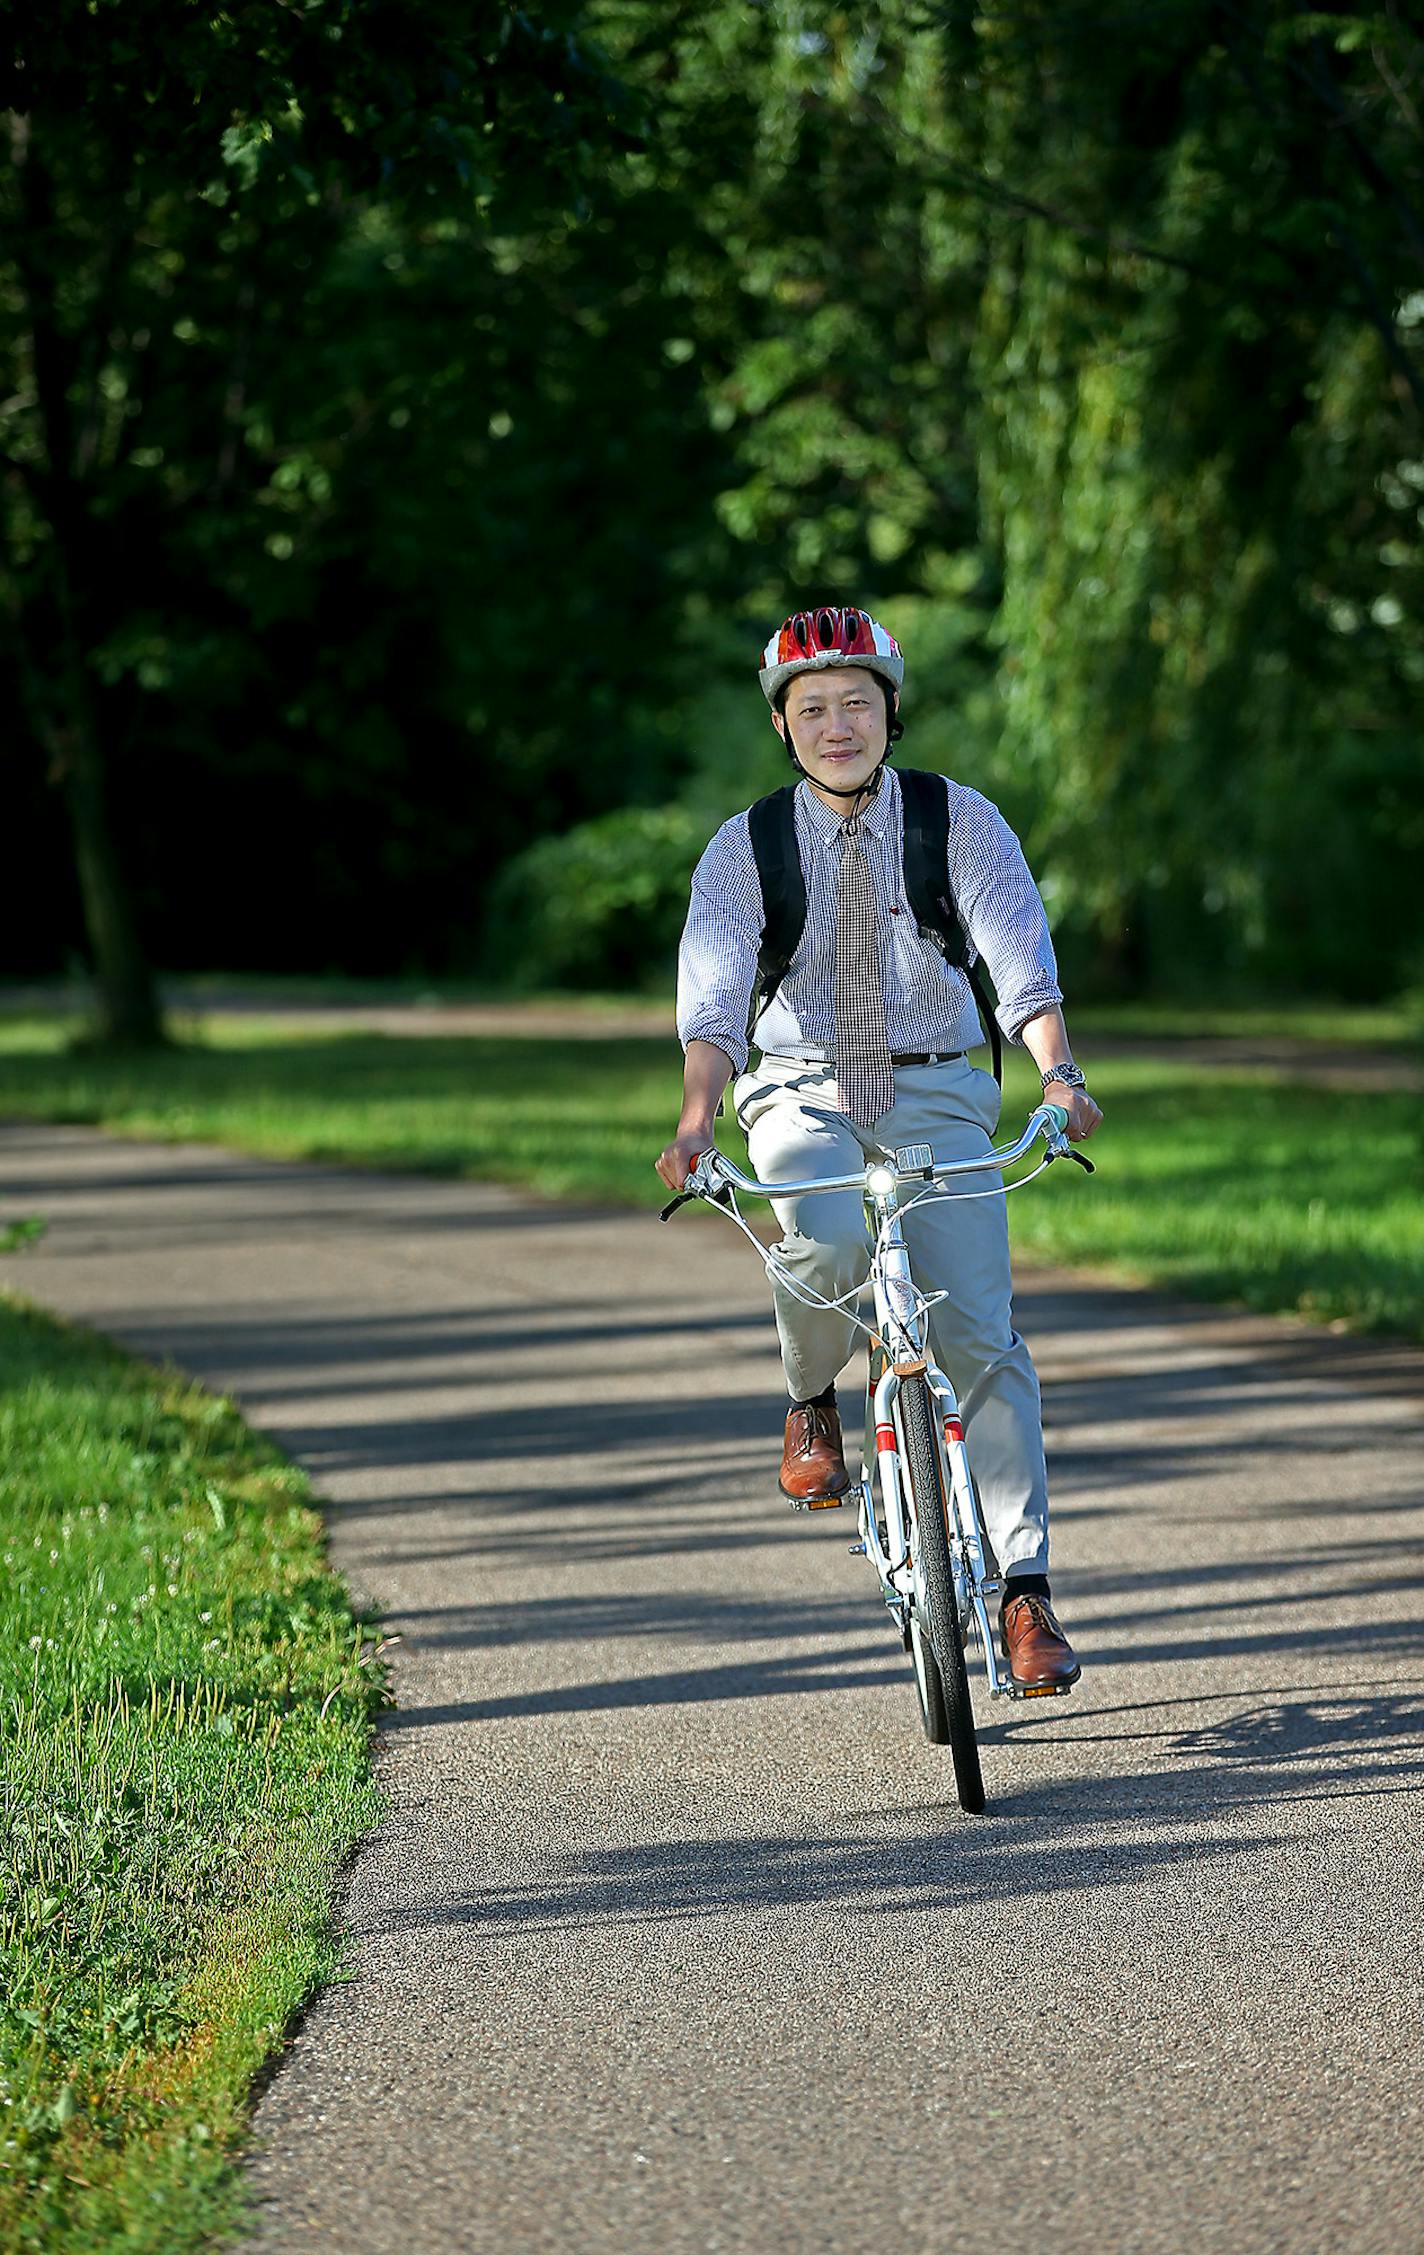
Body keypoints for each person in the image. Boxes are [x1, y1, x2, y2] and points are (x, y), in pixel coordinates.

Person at [656, 604, 1102, 1692]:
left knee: (981, 1337)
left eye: (856, 701)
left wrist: (1055, 1071)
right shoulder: (745, 845)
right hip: (800, 1087)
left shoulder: (957, 821)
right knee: (818, 1233)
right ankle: (812, 1398)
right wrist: (693, 1119)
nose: (835, 723)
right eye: (811, 707)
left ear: (888, 712)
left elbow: (1015, 958)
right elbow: (714, 1005)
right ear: (782, 725)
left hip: (938, 1087)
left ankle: (1022, 1592)